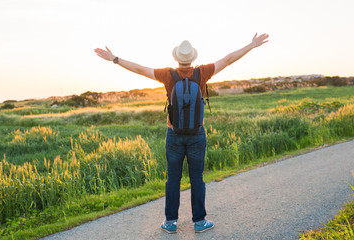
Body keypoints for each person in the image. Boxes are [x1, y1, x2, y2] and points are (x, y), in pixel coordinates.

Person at [94, 33, 269, 233]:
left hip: (174, 135)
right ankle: (199, 222)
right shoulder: (203, 72)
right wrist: (251, 45)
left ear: (176, 58)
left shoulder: (168, 75)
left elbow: (139, 69)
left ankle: (170, 222)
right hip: (197, 135)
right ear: (192, 58)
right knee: (197, 178)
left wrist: (115, 59)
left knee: (173, 179)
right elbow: (229, 59)